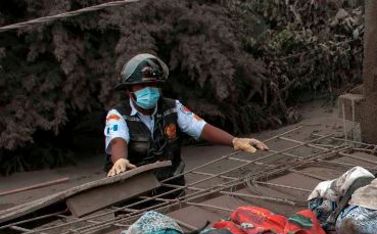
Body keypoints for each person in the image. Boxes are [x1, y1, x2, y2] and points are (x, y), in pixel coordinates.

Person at [104, 53, 268, 194]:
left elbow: (200, 127)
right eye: (142, 85)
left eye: (153, 85)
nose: (149, 89)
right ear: (129, 90)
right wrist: (119, 160)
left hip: (171, 188)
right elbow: (118, 140)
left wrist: (234, 141)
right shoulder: (118, 115)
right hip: (135, 196)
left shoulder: (173, 107)